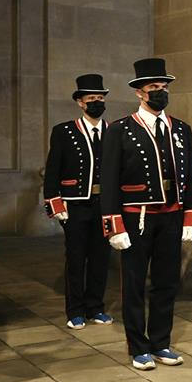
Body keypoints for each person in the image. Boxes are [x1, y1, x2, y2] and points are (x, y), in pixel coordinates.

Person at [101, 58, 192, 370]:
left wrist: (191, 214)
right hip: (135, 217)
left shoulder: (180, 129)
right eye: (154, 88)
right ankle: (138, 346)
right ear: (139, 93)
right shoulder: (121, 130)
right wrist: (114, 225)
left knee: (166, 282)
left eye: (164, 87)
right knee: (133, 283)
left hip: (171, 216)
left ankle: (161, 342)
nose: (160, 92)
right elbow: (109, 180)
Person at [43, 74, 113, 330]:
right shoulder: (64, 131)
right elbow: (53, 171)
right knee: (76, 257)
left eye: (100, 98)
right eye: (92, 98)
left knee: (100, 257)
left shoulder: (113, 130)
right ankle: (75, 310)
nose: (97, 102)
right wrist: (55, 203)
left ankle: (96, 306)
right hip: (75, 204)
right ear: (80, 103)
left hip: (104, 205)